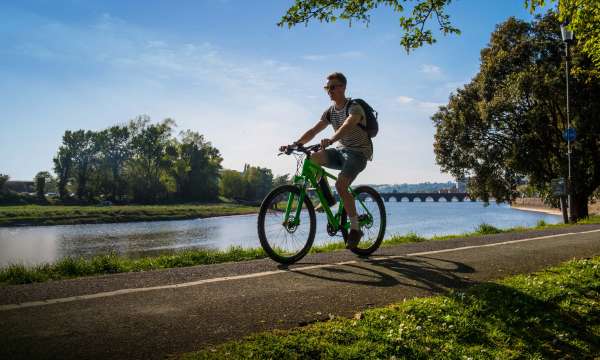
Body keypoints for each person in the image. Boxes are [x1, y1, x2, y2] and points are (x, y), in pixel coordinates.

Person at [280, 72, 373, 249]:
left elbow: (348, 125)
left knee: (341, 185)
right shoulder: (330, 112)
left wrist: (331, 139)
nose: (329, 91)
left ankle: (355, 228)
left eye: (333, 87)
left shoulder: (354, 107)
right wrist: (295, 144)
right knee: (313, 159)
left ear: (343, 87)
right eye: (327, 88)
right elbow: (314, 130)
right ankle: (329, 199)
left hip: (359, 153)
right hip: (341, 151)